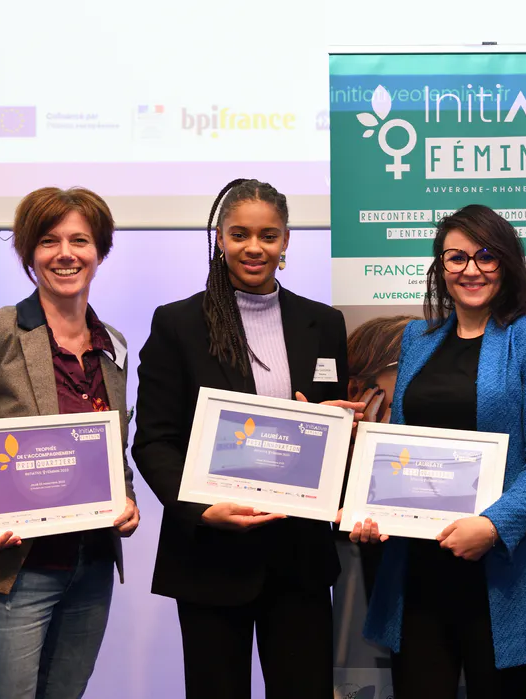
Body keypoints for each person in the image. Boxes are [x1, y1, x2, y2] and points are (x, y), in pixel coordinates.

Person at [131, 179, 362, 699]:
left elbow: (329, 433)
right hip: (210, 555)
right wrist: (200, 509)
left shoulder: (324, 323)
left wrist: (332, 429)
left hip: (299, 558)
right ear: (219, 238)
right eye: (239, 234)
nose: (254, 247)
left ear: (286, 241)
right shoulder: (178, 324)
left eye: (268, 235)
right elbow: (154, 441)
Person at [0, 186, 141, 698]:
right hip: (11, 572)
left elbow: (110, 447)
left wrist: (125, 499)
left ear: (100, 251)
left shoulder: (114, 345)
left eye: (80, 240)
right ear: (28, 253)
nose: (65, 254)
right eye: (48, 241)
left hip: (90, 569)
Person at [351, 205, 526, 699]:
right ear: (441, 266)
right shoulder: (417, 339)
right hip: (418, 566)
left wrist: (492, 526)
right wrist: (371, 511)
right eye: (456, 257)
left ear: (507, 262)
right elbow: (402, 443)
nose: (470, 269)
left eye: (485, 256)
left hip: (497, 570)